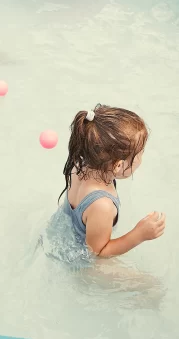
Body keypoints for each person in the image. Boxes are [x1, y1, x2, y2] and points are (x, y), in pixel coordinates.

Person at [57, 104, 166, 257]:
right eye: (140, 153)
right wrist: (139, 234)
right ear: (118, 165)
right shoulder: (102, 205)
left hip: (60, 233)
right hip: (77, 259)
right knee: (149, 282)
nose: (141, 158)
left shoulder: (80, 165)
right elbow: (97, 253)